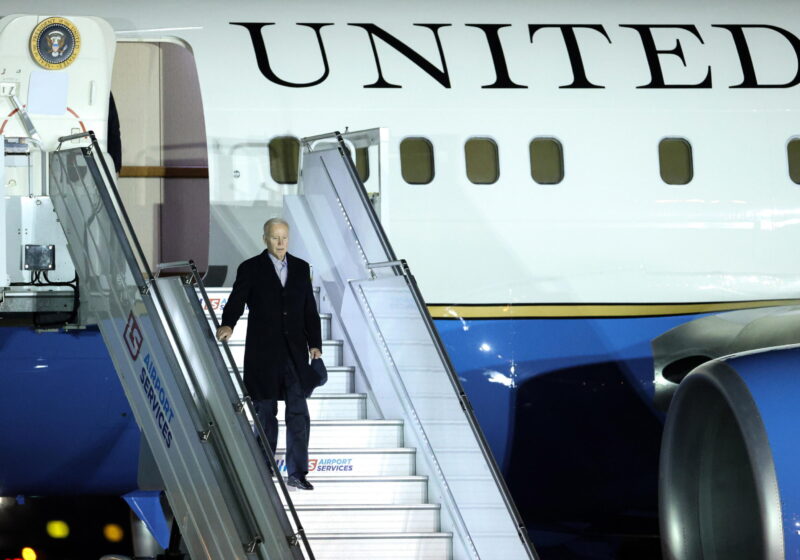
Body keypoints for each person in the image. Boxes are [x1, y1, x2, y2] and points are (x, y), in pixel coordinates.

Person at [216, 218, 322, 490]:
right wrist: (228, 324)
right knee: (265, 413)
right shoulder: (250, 268)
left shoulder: (301, 268)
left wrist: (315, 343)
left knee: (298, 414)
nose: (280, 242)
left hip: (295, 356)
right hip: (263, 356)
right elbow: (237, 301)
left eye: (284, 237)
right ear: (265, 238)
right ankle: (263, 470)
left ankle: (297, 473)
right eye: (275, 237)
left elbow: (309, 309)